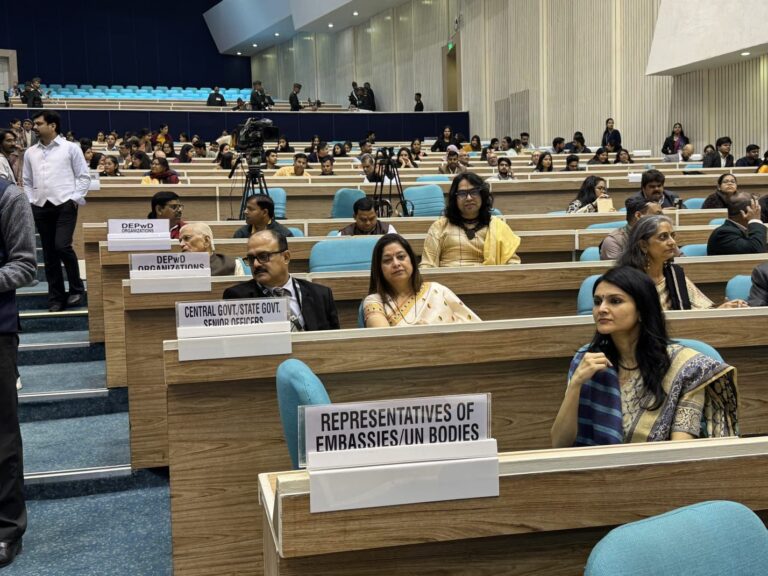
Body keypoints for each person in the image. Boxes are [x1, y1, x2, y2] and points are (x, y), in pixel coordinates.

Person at [550, 266, 738, 447]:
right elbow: (560, 443)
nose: (602, 309)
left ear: (642, 310)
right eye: (598, 301)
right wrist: (576, 384)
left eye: (615, 301)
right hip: (596, 466)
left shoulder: (686, 368)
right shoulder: (587, 362)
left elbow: (681, 449)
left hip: (658, 466)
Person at [0, 175, 36, 568]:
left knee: (2, 434)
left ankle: (7, 529)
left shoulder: (8, 197)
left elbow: (26, 265)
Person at [23, 110, 89, 311]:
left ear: (52, 126)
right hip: (40, 206)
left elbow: (83, 176)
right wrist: (31, 200)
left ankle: (77, 289)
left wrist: (74, 199)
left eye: (39, 123)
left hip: (65, 205)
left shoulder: (71, 148)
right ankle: (56, 297)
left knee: (62, 246)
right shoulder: (30, 152)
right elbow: (27, 180)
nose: (34, 127)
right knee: (49, 253)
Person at [617, 215, 747, 310]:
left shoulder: (674, 273)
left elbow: (700, 307)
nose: (672, 242)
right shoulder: (626, 280)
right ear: (643, 245)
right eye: (663, 237)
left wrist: (722, 309)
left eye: (672, 236)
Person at [223, 229, 339, 331]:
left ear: (286, 257)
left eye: (263, 256)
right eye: (251, 258)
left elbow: (335, 342)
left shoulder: (321, 295)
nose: (256, 264)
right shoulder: (237, 298)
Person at [363, 234, 480, 327]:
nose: (396, 263)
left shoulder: (436, 290)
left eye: (401, 257)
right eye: (387, 260)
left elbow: (474, 326)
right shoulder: (375, 301)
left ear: (411, 260)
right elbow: (383, 340)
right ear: (379, 269)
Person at [422, 172, 521, 267]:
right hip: (448, 278)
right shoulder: (440, 226)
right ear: (455, 199)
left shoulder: (497, 226)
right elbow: (428, 264)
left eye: (474, 192)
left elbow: (512, 262)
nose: (469, 198)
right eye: (462, 194)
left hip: (489, 278)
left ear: (482, 195)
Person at [178, 222, 246, 276]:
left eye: (187, 238)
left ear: (206, 241)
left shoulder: (233, 265)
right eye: (180, 241)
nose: (181, 244)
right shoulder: (176, 267)